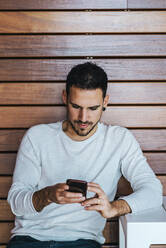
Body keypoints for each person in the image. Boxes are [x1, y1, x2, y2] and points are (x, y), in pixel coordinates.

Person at [7, 62, 162, 248]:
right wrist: (47, 195)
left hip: (83, 242)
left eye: (93, 108)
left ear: (105, 102)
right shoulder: (37, 136)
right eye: (76, 106)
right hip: (29, 240)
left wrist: (114, 208)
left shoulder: (119, 140)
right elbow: (16, 201)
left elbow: (153, 191)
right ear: (65, 97)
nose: (83, 118)